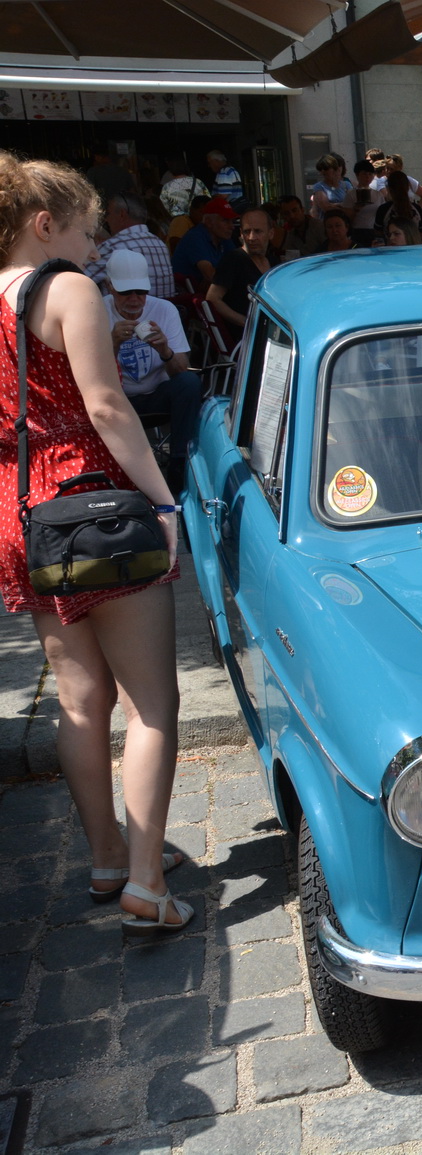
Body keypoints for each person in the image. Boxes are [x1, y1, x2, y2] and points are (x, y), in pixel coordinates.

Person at [0, 151, 190, 936]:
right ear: (46, 224)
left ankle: (109, 855)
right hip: (95, 502)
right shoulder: (66, 287)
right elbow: (107, 407)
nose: (92, 249)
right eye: (85, 232)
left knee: (80, 701)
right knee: (153, 702)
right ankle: (146, 882)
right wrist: (164, 500)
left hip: (18, 504)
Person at [102, 251, 201, 489]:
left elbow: (182, 369)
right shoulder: (96, 311)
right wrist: (112, 343)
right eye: (126, 292)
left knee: (189, 383)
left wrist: (165, 350)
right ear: (110, 287)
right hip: (116, 400)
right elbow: (92, 376)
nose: (135, 299)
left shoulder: (165, 309)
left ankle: (180, 464)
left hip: (156, 395)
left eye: (141, 292)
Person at [88, 192, 173, 298]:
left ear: (122, 214)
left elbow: (79, 279)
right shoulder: (160, 244)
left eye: (108, 214)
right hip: (164, 311)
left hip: (129, 312)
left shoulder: (113, 246)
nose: (106, 219)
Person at [206, 208, 272, 329]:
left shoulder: (272, 260)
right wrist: (247, 323)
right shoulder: (234, 259)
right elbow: (212, 298)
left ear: (271, 233)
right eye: (247, 232)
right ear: (241, 234)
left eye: (258, 231)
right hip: (246, 337)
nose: (252, 237)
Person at [170, 196, 237, 288]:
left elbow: (239, 265)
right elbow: (211, 276)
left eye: (232, 221)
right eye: (225, 220)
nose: (232, 226)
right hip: (187, 297)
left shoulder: (223, 237)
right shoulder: (195, 237)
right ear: (209, 222)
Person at [309, 154, 352, 222]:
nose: (322, 171)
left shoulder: (347, 185)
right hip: (326, 224)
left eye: (326, 168)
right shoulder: (319, 186)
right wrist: (344, 205)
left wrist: (335, 205)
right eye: (320, 169)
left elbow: (353, 203)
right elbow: (326, 207)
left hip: (344, 225)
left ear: (335, 169)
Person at [276, 195, 320, 259]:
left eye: (294, 210)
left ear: (302, 210)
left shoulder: (319, 227)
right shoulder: (288, 235)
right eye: (286, 213)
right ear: (283, 216)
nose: (292, 216)